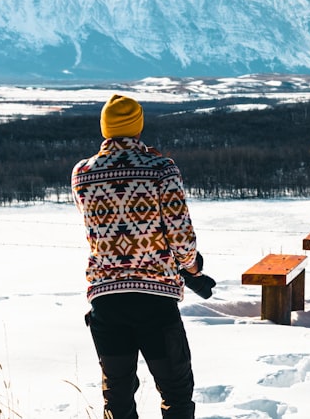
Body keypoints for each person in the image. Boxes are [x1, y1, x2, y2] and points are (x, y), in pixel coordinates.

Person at [72, 93, 216, 419]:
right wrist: (193, 268)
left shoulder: (81, 174)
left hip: (106, 302)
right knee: (176, 394)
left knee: (118, 400)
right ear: (138, 127)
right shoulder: (162, 170)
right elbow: (180, 238)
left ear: (105, 128)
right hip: (156, 302)